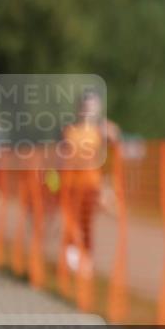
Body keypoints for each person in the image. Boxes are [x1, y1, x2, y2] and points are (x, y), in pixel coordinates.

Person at [58, 89, 121, 273]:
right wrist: (52, 182)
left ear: (98, 108)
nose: (87, 109)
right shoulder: (68, 130)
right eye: (85, 105)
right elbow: (59, 159)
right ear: (78, 107)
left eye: (91, 106)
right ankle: (72, 259)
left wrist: (109, 187)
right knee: (70, 222)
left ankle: (86, 259)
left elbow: (115, 157)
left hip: (91, 185)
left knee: (85, 223)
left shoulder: (104, 130)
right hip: (69, 184)